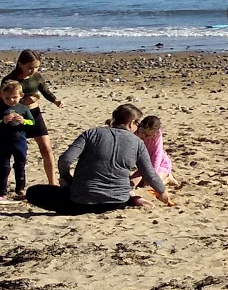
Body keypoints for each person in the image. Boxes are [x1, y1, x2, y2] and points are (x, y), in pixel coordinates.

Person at [26, 104, 168, 213]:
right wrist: (162, 192)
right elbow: (150, 175)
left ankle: (132, 199)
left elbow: (65, 159)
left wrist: (66, 178)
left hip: (81, 202)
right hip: (117, 202)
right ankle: (133, 199)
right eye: (137, 124)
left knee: (33, 192)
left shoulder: (92, 133)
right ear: (131, 123)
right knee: (121, 191)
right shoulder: (138, 143)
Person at [4, 50, 63, 186]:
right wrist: (23, 102)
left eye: (36, 67)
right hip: (16, 117)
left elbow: (44, 90)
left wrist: (55, 101)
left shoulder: (36, 76)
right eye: (29, 67)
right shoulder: (9, 80)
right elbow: (4, 100)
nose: (33, 70)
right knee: (14, 154)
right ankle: (10, 187)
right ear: (20, 64)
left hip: (34, 114)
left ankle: (52, 183)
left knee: (46, 148)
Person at [2, 79, 33, 199]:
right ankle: (2, 191)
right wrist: (3, 121)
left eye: (14, 97)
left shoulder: (23, 108)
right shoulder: (1, 108)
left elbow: (32, 123)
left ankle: (20, 189)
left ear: (21, 96)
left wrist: (24, 121)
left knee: (20, 165)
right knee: (4, 167)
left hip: (19, 141)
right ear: (2, 97)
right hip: (3, 142)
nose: (11, 100)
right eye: (7, 98)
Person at [136, 114, 176, 190]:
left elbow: (156, 156)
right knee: (135, 183)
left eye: (148, 135)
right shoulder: (135, 132)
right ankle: (167, 177)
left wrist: (151, 177)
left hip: (160, 164)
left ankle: (167, 178)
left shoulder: (157, 136)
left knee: (151, 186)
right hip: (144, 165)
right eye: (143, 133)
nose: (145, 137)